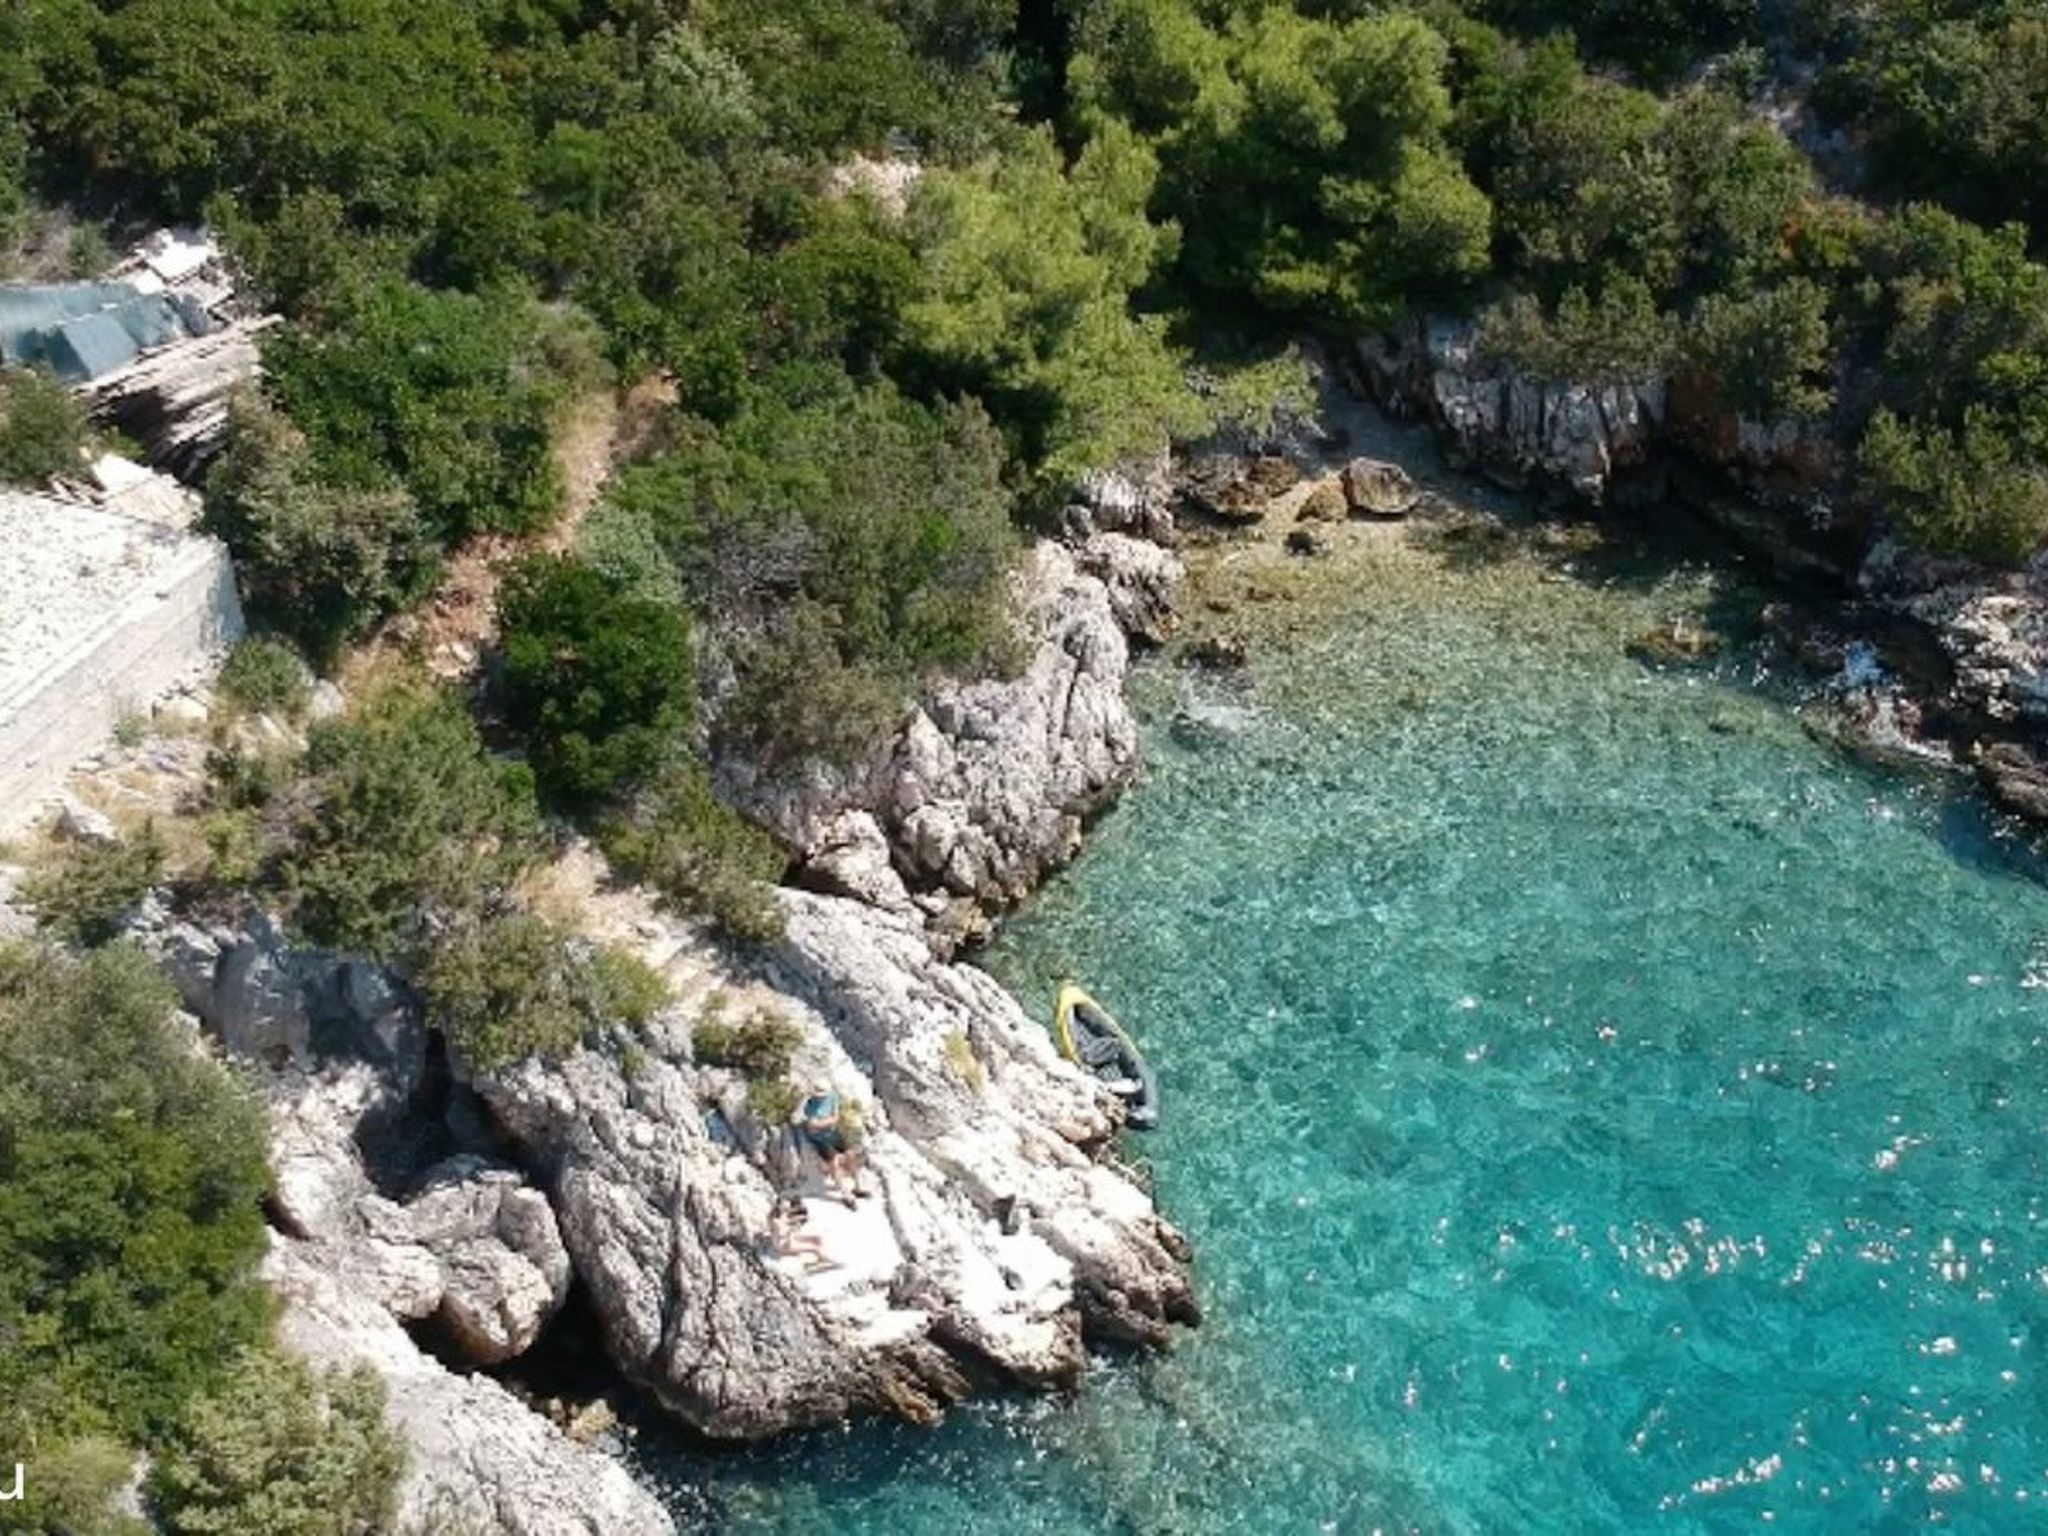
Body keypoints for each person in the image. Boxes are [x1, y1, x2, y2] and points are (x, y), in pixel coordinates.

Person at [799, 1082, 863, 1206]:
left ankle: (858, 1186)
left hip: (832, 1133)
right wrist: (829, 1121)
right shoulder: (810, 1105)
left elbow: (834, 1116)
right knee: (833, 1161)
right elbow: (812, 1126)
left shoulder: (832, 1096)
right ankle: (845, 1194)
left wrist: (824, 1122)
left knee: (850, 1154)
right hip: (818, 1138)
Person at [768, 1195, 834, 1271]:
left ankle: (820, 1258)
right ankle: (824, 1260)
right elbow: (782, 1232)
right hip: (783, 1244)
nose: (789, 1207)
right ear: (780, 1206)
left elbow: (788, 1219)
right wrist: (792, 1229)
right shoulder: (775, 1220)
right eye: (786, 1205)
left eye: (789, 1205)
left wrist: (800, 1218)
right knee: (814, 1248)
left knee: (817, 1238)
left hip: (787, 1237)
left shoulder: (783, 1213)